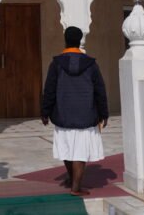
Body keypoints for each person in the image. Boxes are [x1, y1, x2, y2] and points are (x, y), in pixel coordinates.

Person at [40, 26, 109, 196]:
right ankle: (76, 186)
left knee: (68, 147)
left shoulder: (56, 64)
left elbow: (49, 89)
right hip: (86, 114)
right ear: (79, 41)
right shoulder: (91, 65)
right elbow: (100, 90)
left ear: (65, 40)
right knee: (79, 151)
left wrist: (45, 111)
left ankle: (73, 180)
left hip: (63, 113)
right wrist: (104, 113)